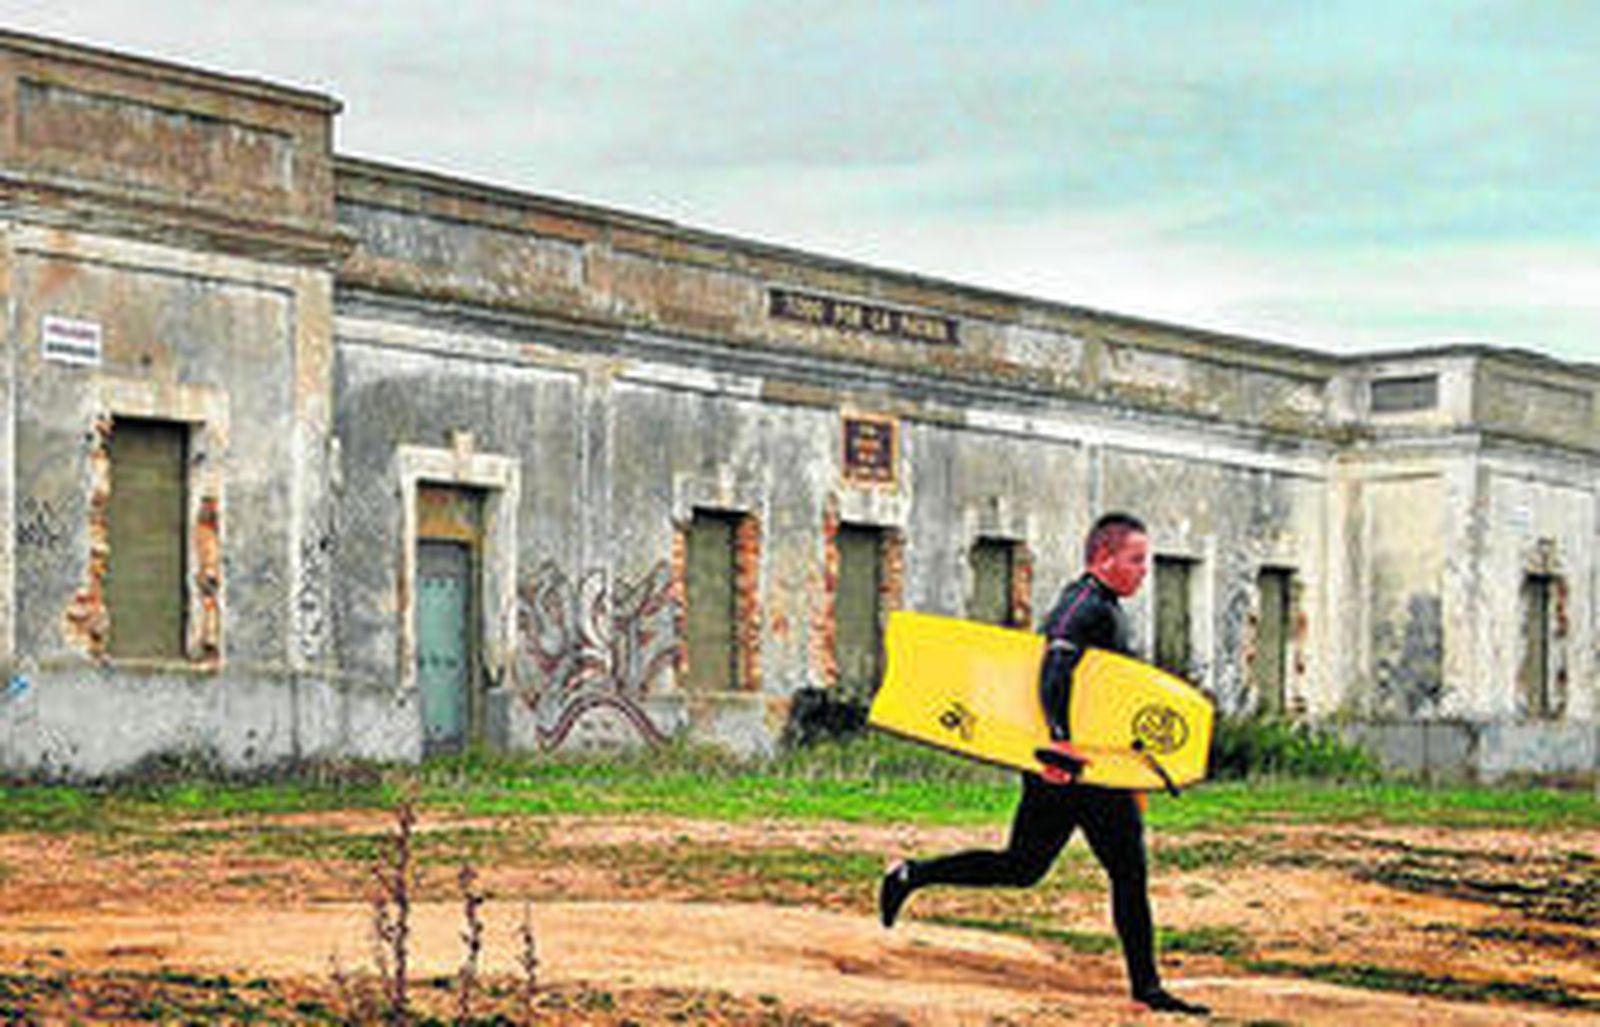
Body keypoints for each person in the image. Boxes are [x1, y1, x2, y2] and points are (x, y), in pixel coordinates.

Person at [878, 512, 1210, 1017]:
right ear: (1104, 558)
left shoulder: (1107, 607)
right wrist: (1059, 743)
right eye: (1136, 560)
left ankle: (909, 875)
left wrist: (1130, 774)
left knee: (1032, 867)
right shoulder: (1083, 604)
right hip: (1065, 768)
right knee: (1098, 870)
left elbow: (1104, 698)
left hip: (1091, 769)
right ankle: (1147, 989)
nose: (1145, 570)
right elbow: (1054, 667)